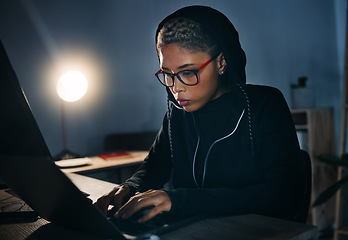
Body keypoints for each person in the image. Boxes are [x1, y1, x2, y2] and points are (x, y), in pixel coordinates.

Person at [95, 5, 306, 224]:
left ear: (221, 63)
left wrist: (180, 200)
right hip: (197, 230)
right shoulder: (177, 113)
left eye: (188, 72)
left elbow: (285, 196)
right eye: (168, 74)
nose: (176, 87)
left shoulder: (264, 105)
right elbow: (156, 165)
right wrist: (130, 187)